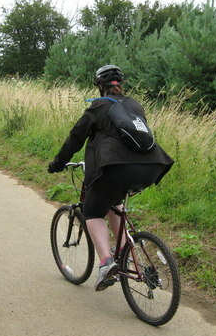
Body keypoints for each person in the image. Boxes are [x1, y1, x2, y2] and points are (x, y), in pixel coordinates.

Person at [48, 65, 174, 291]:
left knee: (92, 211)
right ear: (120, 86)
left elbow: (75, 139)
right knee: (113, 204)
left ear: (99, 87)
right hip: (150, 166)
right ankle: (126, 255)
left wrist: (57, 164)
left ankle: (107, 263)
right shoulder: (135, 105)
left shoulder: (98, 107)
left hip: (115, 168)